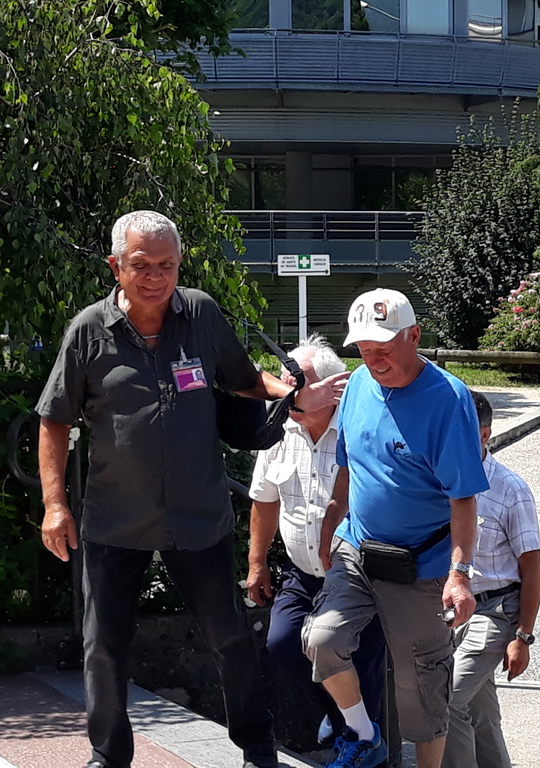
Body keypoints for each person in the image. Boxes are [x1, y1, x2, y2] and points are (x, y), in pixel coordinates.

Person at [36, 210, 345, 768]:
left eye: (167, 265)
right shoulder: (88, 331)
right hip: (115, 521)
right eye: (141, 265)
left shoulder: (200, 313)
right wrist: (55, 505)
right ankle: (108, 757)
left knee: (230, 639)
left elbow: (246, 381)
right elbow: (54, 419)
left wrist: (296, 399)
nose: (155, 277)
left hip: (198, 515)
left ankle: (258, 749)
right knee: (103, 647)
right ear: (115, 266)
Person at [302, 288, 489, 768]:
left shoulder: (448, 399)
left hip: (421, 563)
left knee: (421, 687)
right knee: (321, 640)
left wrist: (459, 573)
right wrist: (331, 519)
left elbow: (463, 497)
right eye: (364, 349)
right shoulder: (358, 386)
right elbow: (348, 465)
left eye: (384, 347)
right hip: (358, 547)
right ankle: (364, 733)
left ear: (414, 336)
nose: (374, 359)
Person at [246, 335, 387, 750]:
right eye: (284, 380)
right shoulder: (279, 431)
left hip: (355, 578)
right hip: (302, 572)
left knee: (361, 664)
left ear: (332, 388)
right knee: (283, 643)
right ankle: (344, 718)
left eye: (298, 381)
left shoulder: (357, 430)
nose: (287, 390)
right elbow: (263, 499)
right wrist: (257, 562)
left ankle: (363, 746)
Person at [442, 390, 540, 768]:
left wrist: (523, 637)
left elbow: (532, 570)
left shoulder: (510, 489)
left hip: (496, 611)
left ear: (484, 435)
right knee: (479, 714)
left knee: (447, 701)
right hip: (452, 611)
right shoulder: (438, 478)